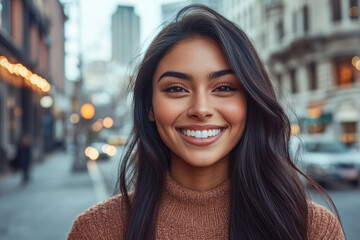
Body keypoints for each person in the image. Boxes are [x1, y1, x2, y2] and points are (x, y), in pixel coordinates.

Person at [67, 5, 344, 240]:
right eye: (176, 89)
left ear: (250, 102)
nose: (200, 109)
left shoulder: (313, 229)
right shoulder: (96, 230)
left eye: (223, 88)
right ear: (149, 107)